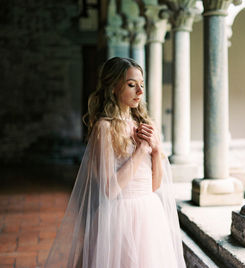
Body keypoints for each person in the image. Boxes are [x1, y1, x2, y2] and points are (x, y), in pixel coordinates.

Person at [45, 57, 186, 268]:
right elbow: (109, 189)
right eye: (131, 85)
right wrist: (140, 151)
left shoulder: (145, 125)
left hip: (150, 215)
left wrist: (156, 151)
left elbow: (155, 186)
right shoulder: (105, 127)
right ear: (113, 87)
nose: (140, 91)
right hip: (120, 217)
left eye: (142, 85)